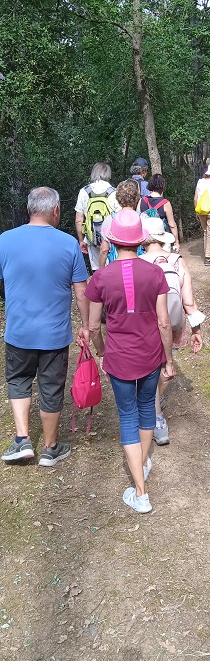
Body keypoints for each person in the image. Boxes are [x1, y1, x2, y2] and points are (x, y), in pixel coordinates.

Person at [85, 209, 175, 514]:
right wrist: (169, 359)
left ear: (111, 240)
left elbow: (94, 326)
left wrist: (100, 352)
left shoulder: (100, 277)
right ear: (140, 241)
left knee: (127, 416)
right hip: (150, 354)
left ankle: (140, 491)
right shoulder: (155, 274)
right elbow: (164, 322)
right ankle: (143, 462)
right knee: (147, 407)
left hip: (120, 358)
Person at [0, 187, 90, 467]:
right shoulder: (68, 244)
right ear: (55, 211)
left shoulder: (5, 240)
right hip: (54, 335)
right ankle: (50, 448)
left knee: (18, 381)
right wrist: (87, 325)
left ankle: (22, 440)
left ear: (29, 209)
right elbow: (81, 290)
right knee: (51, 388)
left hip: (18, 332)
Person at [140, 215, 204, 445]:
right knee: (166, 367)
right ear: (161, 236)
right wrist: (197, 329)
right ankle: (155, 407)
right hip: (174, 324)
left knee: (151, 370)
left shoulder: (139, 264)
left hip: (146, 325)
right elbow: (188, 302)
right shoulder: (178, 261)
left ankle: (155, 415)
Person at [75, 162, 118, 272]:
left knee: (98, 270)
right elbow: (118, 218)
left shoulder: (84, 191)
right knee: (113, 270)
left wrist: (81, 240)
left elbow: (79, 220)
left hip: (91, 238)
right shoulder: (113, 192)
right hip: (111, 238)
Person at [98, 178, 141, 267]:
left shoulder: (109, 219)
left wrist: (101, 270)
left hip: (116, 267)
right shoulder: (143, 218)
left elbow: (104, 250)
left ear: (118, 198)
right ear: (136, 197)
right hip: (139, 266)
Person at [139, 173, 180, 250]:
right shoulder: (166, 203)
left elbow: (139, 220)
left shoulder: (142, 200)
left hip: (146, 239)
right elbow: (172, 225)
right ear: (163, 186)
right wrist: (176, 242)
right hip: (162, 238)